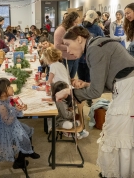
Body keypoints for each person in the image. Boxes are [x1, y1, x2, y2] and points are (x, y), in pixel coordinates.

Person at [55, 25, 134, 178]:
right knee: (120, 134)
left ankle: (120, 174)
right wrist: (86, 85)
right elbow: (108, 83)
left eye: (68, 45)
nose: (68, 51)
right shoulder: (96, 44)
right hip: (125, 88)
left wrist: (69, 91)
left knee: (119, 135)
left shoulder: (94, 48)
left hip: (128, 91)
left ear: (79, 39)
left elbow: (96, 92)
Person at [0, 78, 40, 169]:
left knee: (27, 130)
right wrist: (16, 110)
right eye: (9, 86)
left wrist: (20, 108)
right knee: (24, 139)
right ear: (3, 93)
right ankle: (20, 161)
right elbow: (8, 121)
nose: (12, 88)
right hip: (5, 129)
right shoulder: (1, 106)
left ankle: (28, 151)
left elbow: (12, 112)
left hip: (12, 124)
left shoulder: (7, 99)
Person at [79, 10, 104, 107]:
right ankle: (80, 97)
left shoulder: (97, 29)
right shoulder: (79, 27)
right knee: (81, 79)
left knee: (89, 79)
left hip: (91, 59)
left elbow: (102, 40)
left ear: (95, 20)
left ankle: (89, 99)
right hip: (80, 59)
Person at [54, 11, 80, 78]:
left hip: (75, 58)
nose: (77, 24)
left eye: (78, 22)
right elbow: (57, 46)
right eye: (75, 22)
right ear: (70, 21)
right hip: (65, 59)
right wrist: (70, 47)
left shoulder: (74, 29)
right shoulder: (61, 30)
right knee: (65, 80)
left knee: (71, 79)